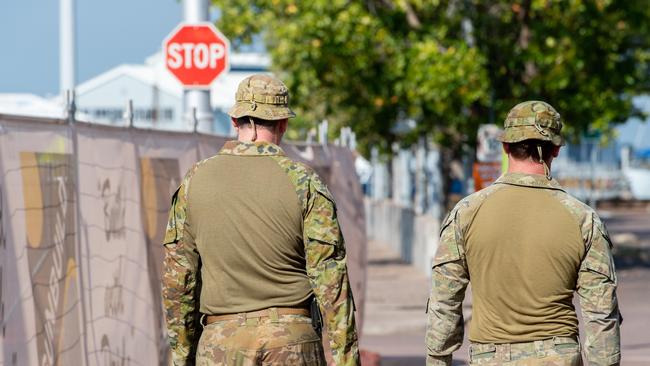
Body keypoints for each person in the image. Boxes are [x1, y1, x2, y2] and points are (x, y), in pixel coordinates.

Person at [162, 74, 360, 366]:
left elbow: (178, 281)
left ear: (234, 120)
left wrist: (182, 357)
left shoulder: (195, 180)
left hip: (220, 343)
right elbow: (332, 280)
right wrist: (346, 360)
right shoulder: (303, 181)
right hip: (292, 341)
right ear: (283, 124)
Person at [425, 101, 622, 365]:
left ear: (506, 147)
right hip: (559, 357)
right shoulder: (583, 219)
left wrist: (438, 360)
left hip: (489, 356)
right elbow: (600, 315)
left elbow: (444, 302)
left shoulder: (466, 213)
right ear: (556, 150)